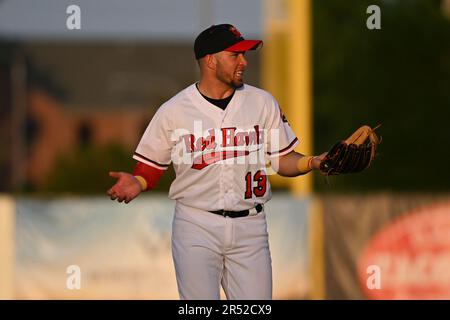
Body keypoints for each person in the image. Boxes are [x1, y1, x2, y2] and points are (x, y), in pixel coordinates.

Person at [107, 24, 326, 300]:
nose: (244, 61)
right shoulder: (174, 110)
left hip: (251, 227)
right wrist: (138, 181)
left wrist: (315, 162)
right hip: (196, 225)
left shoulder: (262, 102)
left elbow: (282, 160)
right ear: (210, 60)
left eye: (244, 54)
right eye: (235, 55)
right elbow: (151, 165)